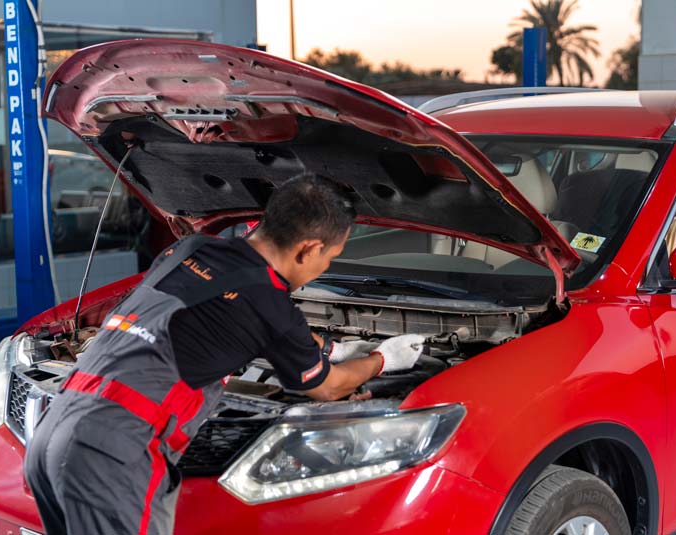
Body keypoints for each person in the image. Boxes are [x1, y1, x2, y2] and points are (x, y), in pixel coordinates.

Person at [24, 174, 424, 535]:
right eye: (329, 258)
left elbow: (215, 317)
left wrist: (331, 348)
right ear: (309, 249)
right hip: (112, 451)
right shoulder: (270, 306)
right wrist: (383, 359)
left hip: (53, 429)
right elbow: (327, 388)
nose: (324, 266)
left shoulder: (190, 249)